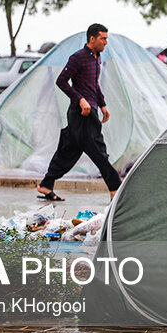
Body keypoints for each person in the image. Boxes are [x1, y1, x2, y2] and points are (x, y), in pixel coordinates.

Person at [36, 23, 122, 202]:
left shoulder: (97, 58)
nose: (106, 42)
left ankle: (46, 184)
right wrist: (80, 99)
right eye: (103, 38)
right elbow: (61, 81)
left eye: (107, 38)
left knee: (69, 151)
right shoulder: (78, 57)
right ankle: (115, 187)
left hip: (92, 109)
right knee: (98, 149)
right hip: (81, 114)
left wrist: (103, 104)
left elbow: (94, 84)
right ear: (92, 39)